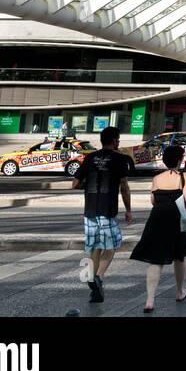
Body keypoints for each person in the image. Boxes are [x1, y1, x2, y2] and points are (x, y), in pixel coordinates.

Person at [129, 145, 186, 312]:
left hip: (157, 218)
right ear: (180, 160)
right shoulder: (183, 176)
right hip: (177, 218)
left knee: (155, 260)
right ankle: (180, 292)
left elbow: (153, 200)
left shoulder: (157, 178)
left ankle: (150, 301)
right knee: (179, 256)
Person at [73, 125, 132, 305]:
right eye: (118, 139)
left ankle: (93, 285)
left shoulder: (90, 158)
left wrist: (89, 185)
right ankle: (98, 277)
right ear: (114, 140)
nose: (119, 142)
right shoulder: (120, 159)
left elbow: (75, 184)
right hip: (107, 210)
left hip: (90, 210)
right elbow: (124, 186)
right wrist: (128, 209)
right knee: (112, 245)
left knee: (94, 246)